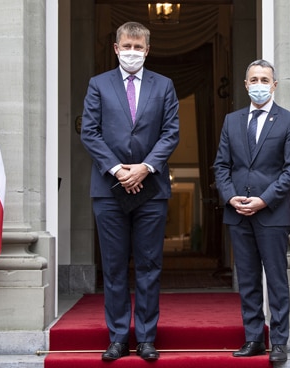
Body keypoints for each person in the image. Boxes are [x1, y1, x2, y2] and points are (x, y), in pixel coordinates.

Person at [80, 21, 180, 361]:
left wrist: (144, 168)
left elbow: (170, 133)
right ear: (116, 47)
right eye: (127, 46)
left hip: (151, 188)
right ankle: (119, 337)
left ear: (147, 50)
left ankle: (147, 337)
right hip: (109, 189)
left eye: (138, 47)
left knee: (150, 265)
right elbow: (89, 132)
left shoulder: (164, 86)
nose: (132, 52)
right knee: (114, 265)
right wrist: (119, 170)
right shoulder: (98, 84)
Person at [213, 59, 290, 363]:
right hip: (237, 214)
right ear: (245, 84)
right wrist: (230, 197)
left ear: (274, 85)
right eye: (253, 79)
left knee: (276, 279)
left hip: (272, 214)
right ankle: (253, 337)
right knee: (249, 279)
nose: (259, 85)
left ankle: (279, 341)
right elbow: (221, 166)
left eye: (265, 79)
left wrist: (264, 200)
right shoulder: (231, 121)